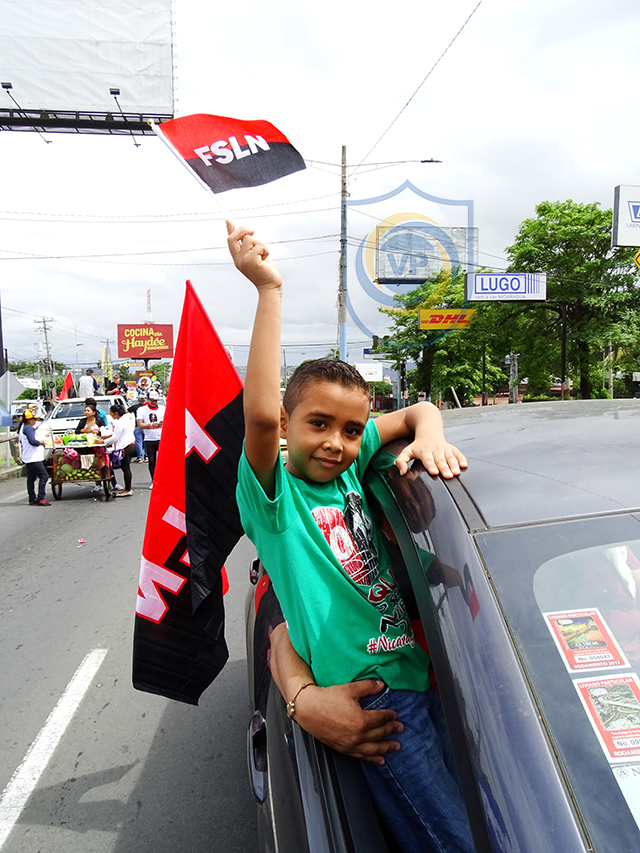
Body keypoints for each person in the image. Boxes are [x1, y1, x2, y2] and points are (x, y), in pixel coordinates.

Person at [228, 222, 473, 853]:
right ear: (288, 425)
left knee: (482, 814)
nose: (336, 442)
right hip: (372, 701)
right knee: (452, 839)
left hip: (417, 671)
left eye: (350, 428)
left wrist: (430, 435)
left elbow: (417, 412)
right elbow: (258, 416)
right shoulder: (275, 497)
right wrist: (268, 290)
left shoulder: (350, 462)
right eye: (318, 423)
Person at [100, 401, 136, 496]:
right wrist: (107, 437)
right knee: (126, 468)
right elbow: (118, 434)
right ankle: (127, 488)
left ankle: (128, 489)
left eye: (111, 413)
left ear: (116, 413)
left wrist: (102, 441)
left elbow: (115, 438)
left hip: (125, 446)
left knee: (125, 468)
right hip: (131, 444)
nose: (111, 415)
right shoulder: (126, 419)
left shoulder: (120, 423)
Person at [17, 407, 51, 506]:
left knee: (31, 478)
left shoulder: (23, 427)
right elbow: (32, 441)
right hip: (33, 458)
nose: (35, 421)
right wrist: (41, 442)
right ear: (29, 420)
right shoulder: (28, 428)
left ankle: (32, 498)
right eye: (34, 419)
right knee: (44, 476)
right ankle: (41, 498)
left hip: (28, 457)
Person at [136, 390, 165, 487]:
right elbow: (140, 425)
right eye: (152, 400)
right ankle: (154, 481)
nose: (153, 402)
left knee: (163, 462)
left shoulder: (163, 409)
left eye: (155, 400)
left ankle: (163, 480)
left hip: (161, 438)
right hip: (149, 439)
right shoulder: (141, 410)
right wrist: (151, 424)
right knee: (152, 461)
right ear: (147, 399)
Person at [128, 394, 148, 463]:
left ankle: (139, 457)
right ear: (144, 400)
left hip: (138, 426)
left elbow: (126, 411)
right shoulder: (146, 407)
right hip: (146, 426)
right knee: (146, 441)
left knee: (139, 442)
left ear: (138, 400)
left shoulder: (135, 407)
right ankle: (147, 457)